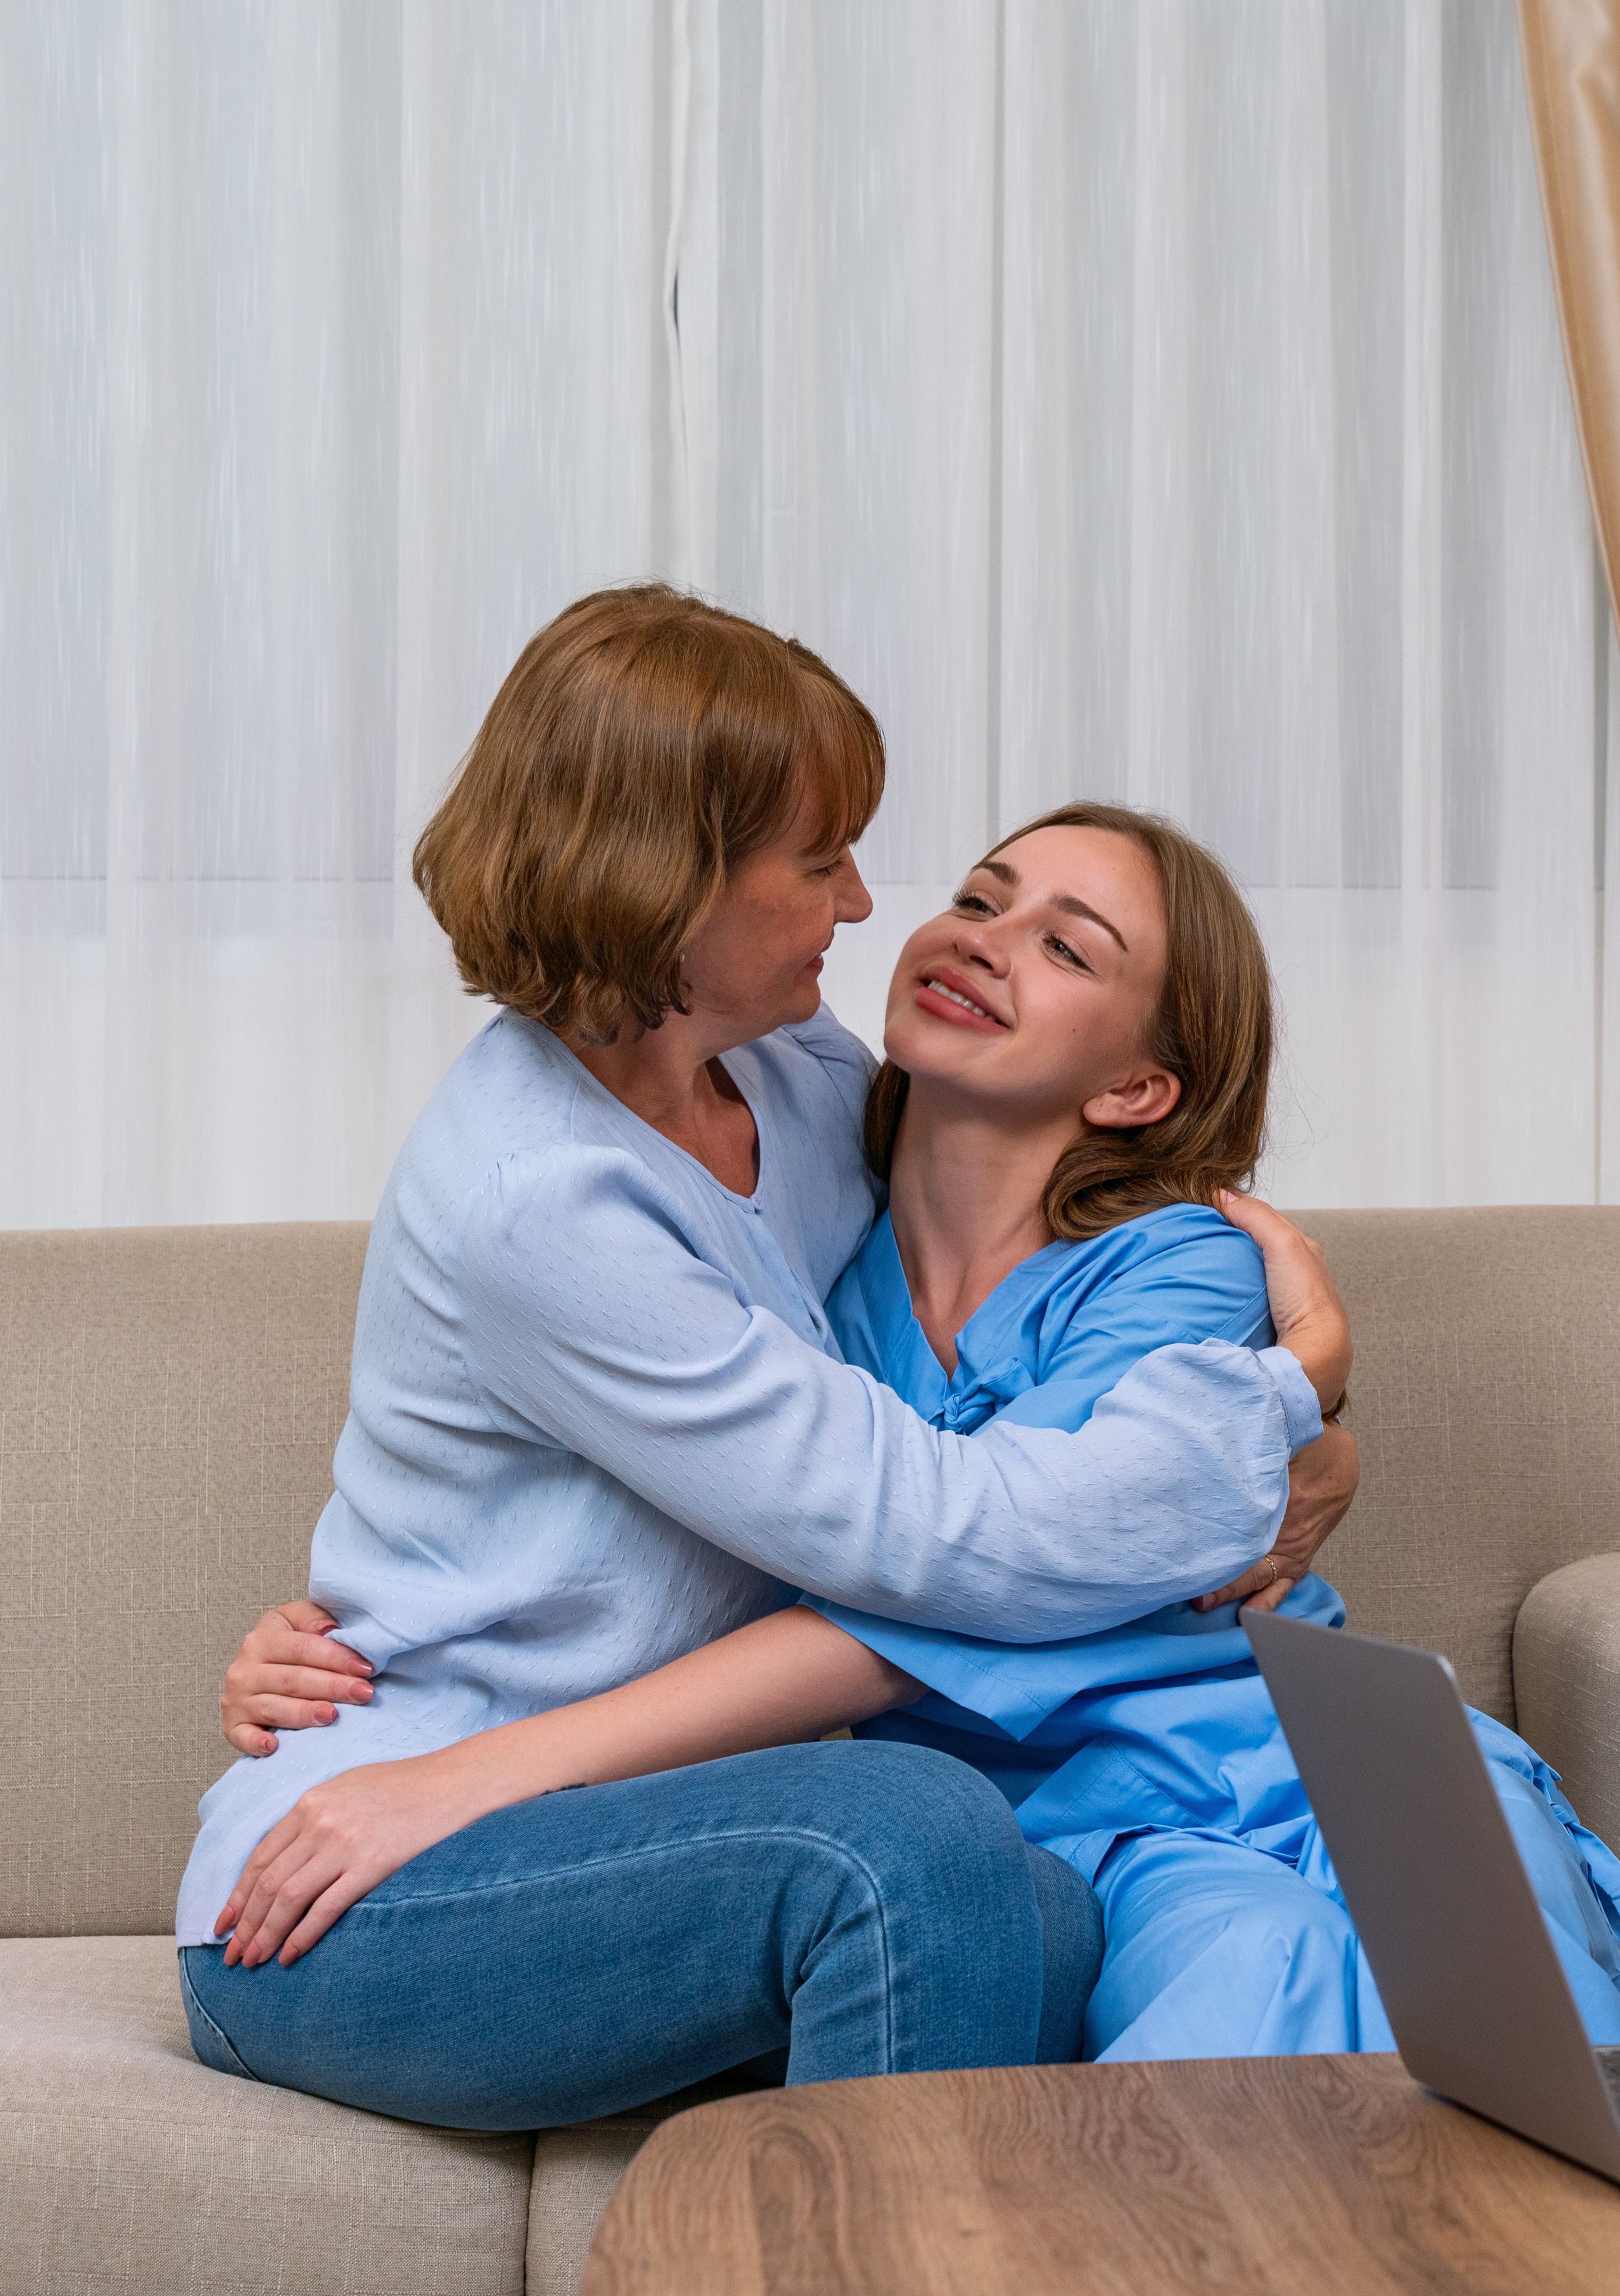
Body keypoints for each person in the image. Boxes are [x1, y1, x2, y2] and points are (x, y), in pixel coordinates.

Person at [183, 588, 1359, 2132]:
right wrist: (1285, 1396)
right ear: (670, 885)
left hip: (674, 1829)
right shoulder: (544, 1198)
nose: (865, 903)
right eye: (817, 863)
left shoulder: (798, 1083)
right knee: (919, 1845)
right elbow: (940, 1535)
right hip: (379, 1873)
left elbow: (1026, 1278)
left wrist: (1313, 1449)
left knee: (1046, 1916)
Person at [210, 802, 1620, 2061]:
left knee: (1527, 2027)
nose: (984, 935)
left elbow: (961, 1588)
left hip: (1311, 1748)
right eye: (979, 896)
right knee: (1244, 1992)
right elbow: (797, 1553)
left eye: (1068, 947)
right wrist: (377, 1646)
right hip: (1065, 1820)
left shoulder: (1178, 1263)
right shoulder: (789, 1247)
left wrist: (1312, 1427)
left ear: (1137, 1089)